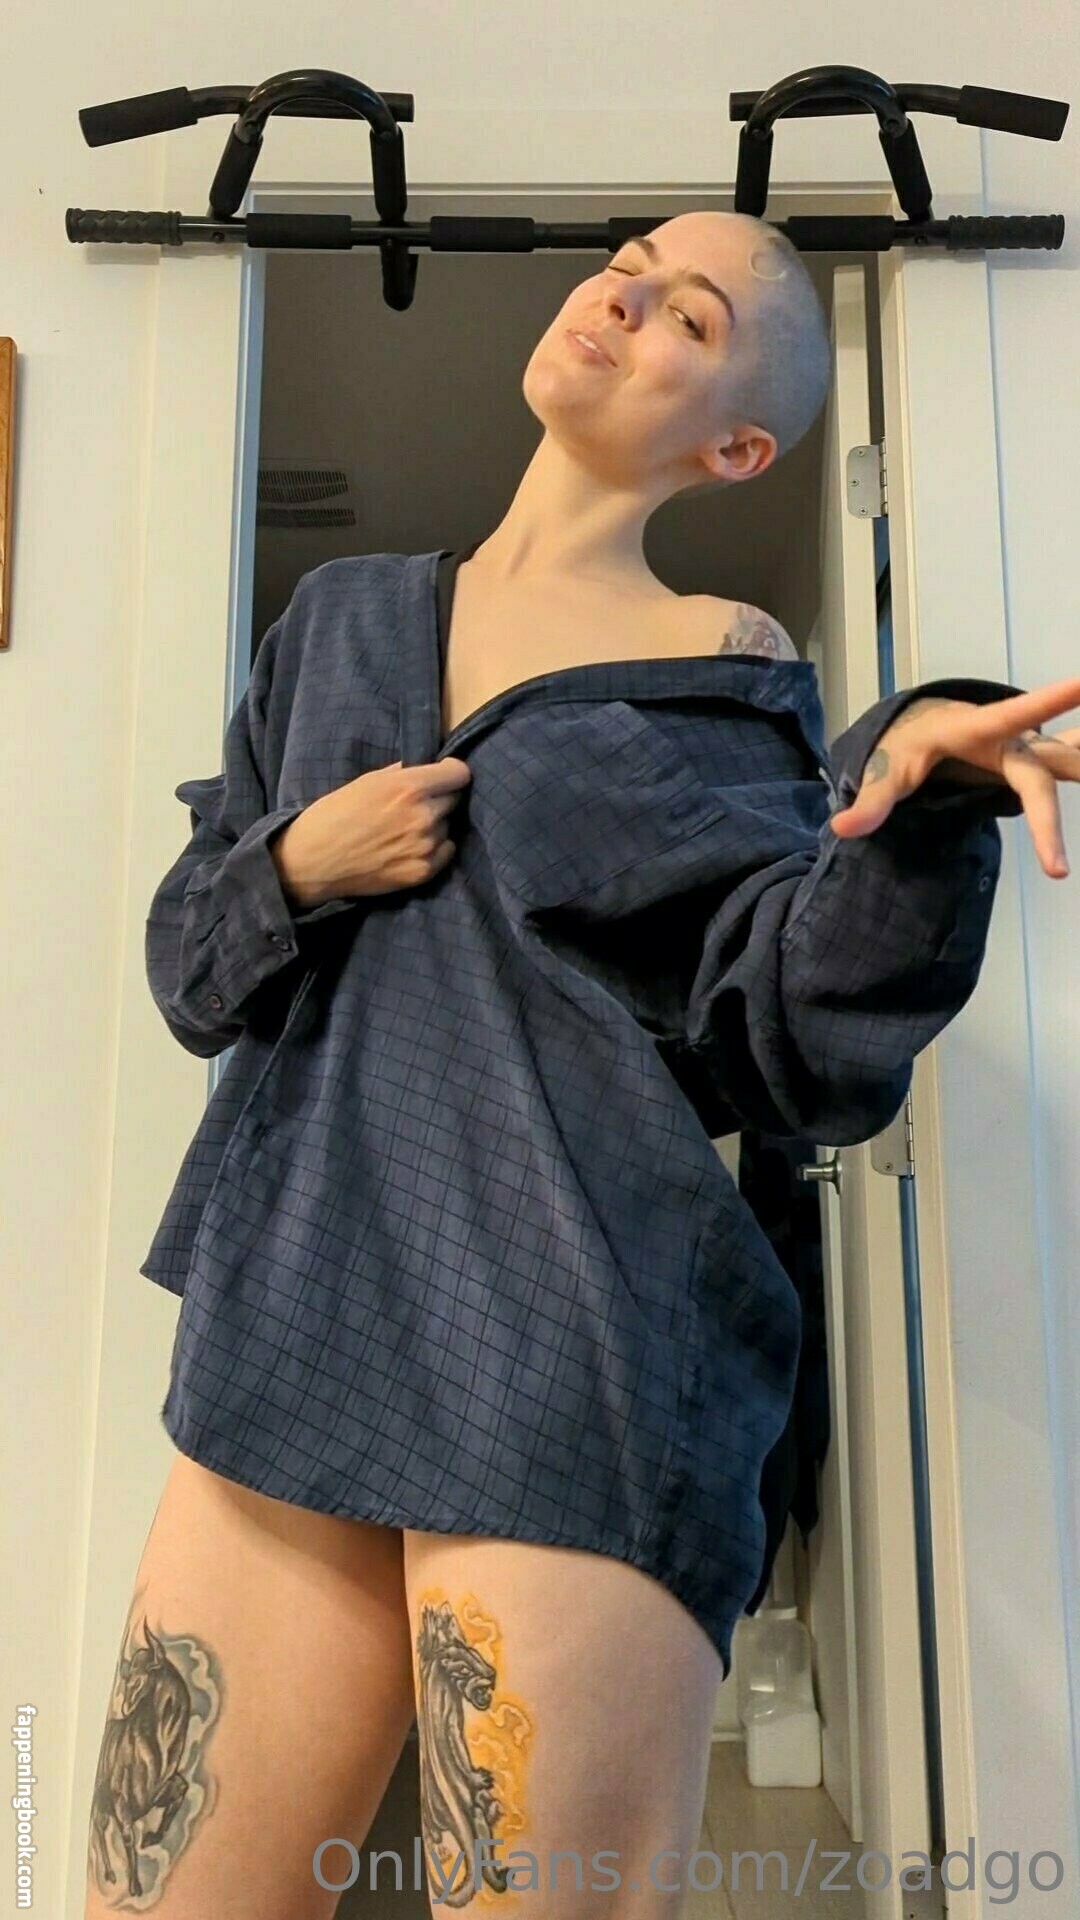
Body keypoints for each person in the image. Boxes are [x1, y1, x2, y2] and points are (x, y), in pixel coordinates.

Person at [85, 211, 1080, 1920]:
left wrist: (918, 805)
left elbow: (790, 1031)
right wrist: (299, 862)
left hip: (563, 1352)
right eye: (628, 263)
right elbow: (193, 962)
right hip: (293, 1319)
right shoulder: (337, 621)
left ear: (737, 448)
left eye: (687, 315)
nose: (622, 296)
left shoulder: (724, 674)